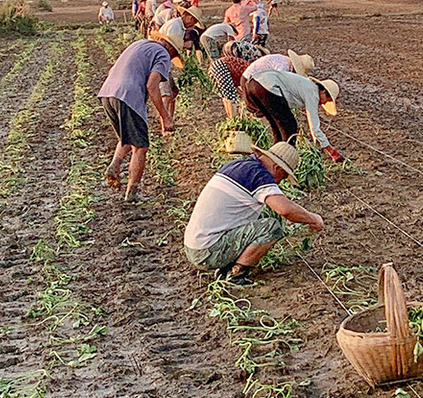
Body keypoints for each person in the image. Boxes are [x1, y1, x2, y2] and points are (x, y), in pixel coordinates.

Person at [183, 141, 324, 284]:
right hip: (207, 251)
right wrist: (313, 219)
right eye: (283, 176)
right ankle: (236, 274)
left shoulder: (238, 165)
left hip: (195, 245)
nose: (280, 182)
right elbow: (285, 209)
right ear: (277, 168)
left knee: (260, 217)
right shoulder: (259, 176)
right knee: (271, 227)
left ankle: (225, 267)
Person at [98, 22, 185, 201]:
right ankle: (133, 192)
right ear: (171, 49)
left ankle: (114, 165)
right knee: (141, 146)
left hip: (108, 92)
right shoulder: (163, 54)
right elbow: (152, 86)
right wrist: (165, 117)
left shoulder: (140, 44)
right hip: (128, 95)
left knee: (127, 136)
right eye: (175, 54)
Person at [244, 69, 342, 160]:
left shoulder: (305, 84)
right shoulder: (313, 92)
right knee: (290, 126)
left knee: (276, 124)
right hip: (267, 85)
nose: (324, 103)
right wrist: (331, 151)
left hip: (252, 84)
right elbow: (314, 127)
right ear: (324, 92)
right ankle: (285, 158)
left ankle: (274, 155)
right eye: (327, 100)